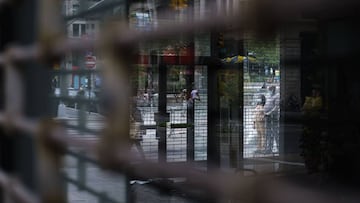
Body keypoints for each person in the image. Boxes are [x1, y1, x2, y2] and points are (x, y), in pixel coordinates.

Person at [264, 85, 280, 153]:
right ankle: (269, 148)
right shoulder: (268, 95)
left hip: (273, 116)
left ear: (273, 90)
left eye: (270, 89)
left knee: (275, 132)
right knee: (268, 132)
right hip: (267, 116)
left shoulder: (277, 96)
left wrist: (269, 113)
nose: (269, 91)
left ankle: (278, 148)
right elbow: (267, 104)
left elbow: (276, 107)